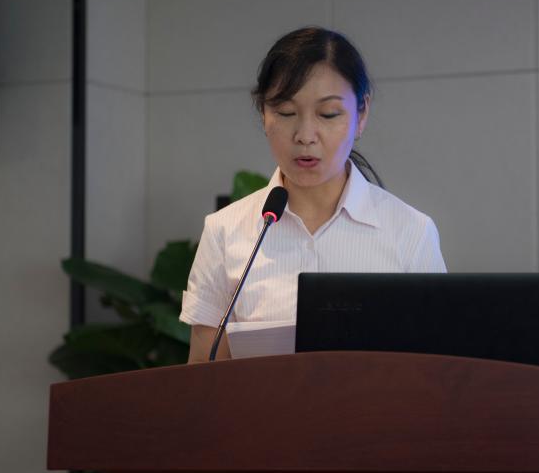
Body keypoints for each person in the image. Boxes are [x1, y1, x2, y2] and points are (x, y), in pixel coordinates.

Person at [181, 26, 446, 362]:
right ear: (263, 113)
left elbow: (436, 373)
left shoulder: (411, 233)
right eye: (286, 113)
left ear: (361, 113)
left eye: (328, 114)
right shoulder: (224, 232)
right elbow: (203, 376)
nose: (305, 135)